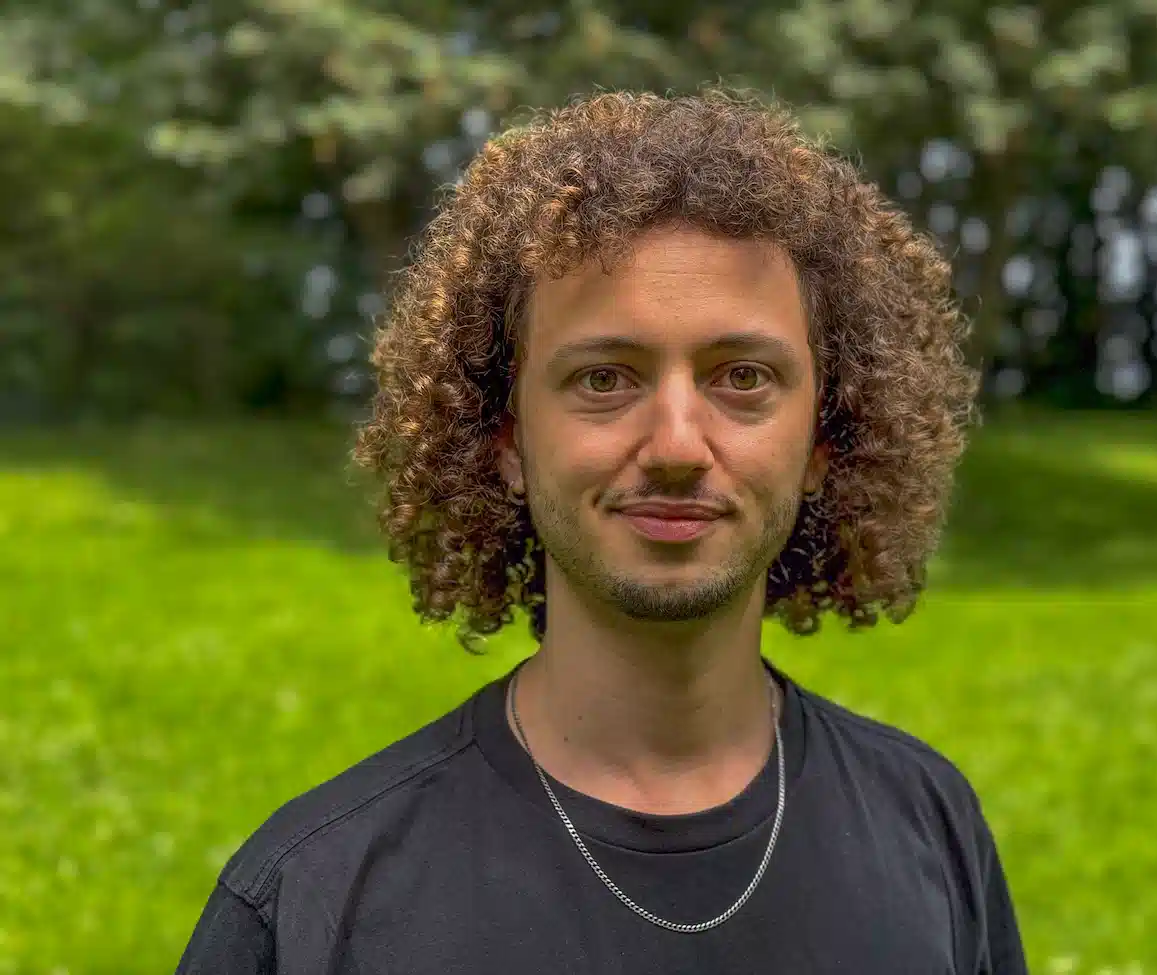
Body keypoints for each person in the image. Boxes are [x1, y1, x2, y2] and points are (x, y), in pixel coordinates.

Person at [176, 88, 1027, 974]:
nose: (674, 446)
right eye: (603, 379)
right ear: (504, 438)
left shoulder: (931, 826)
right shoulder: (315, 898)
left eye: (742, 376)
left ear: (825, 434)